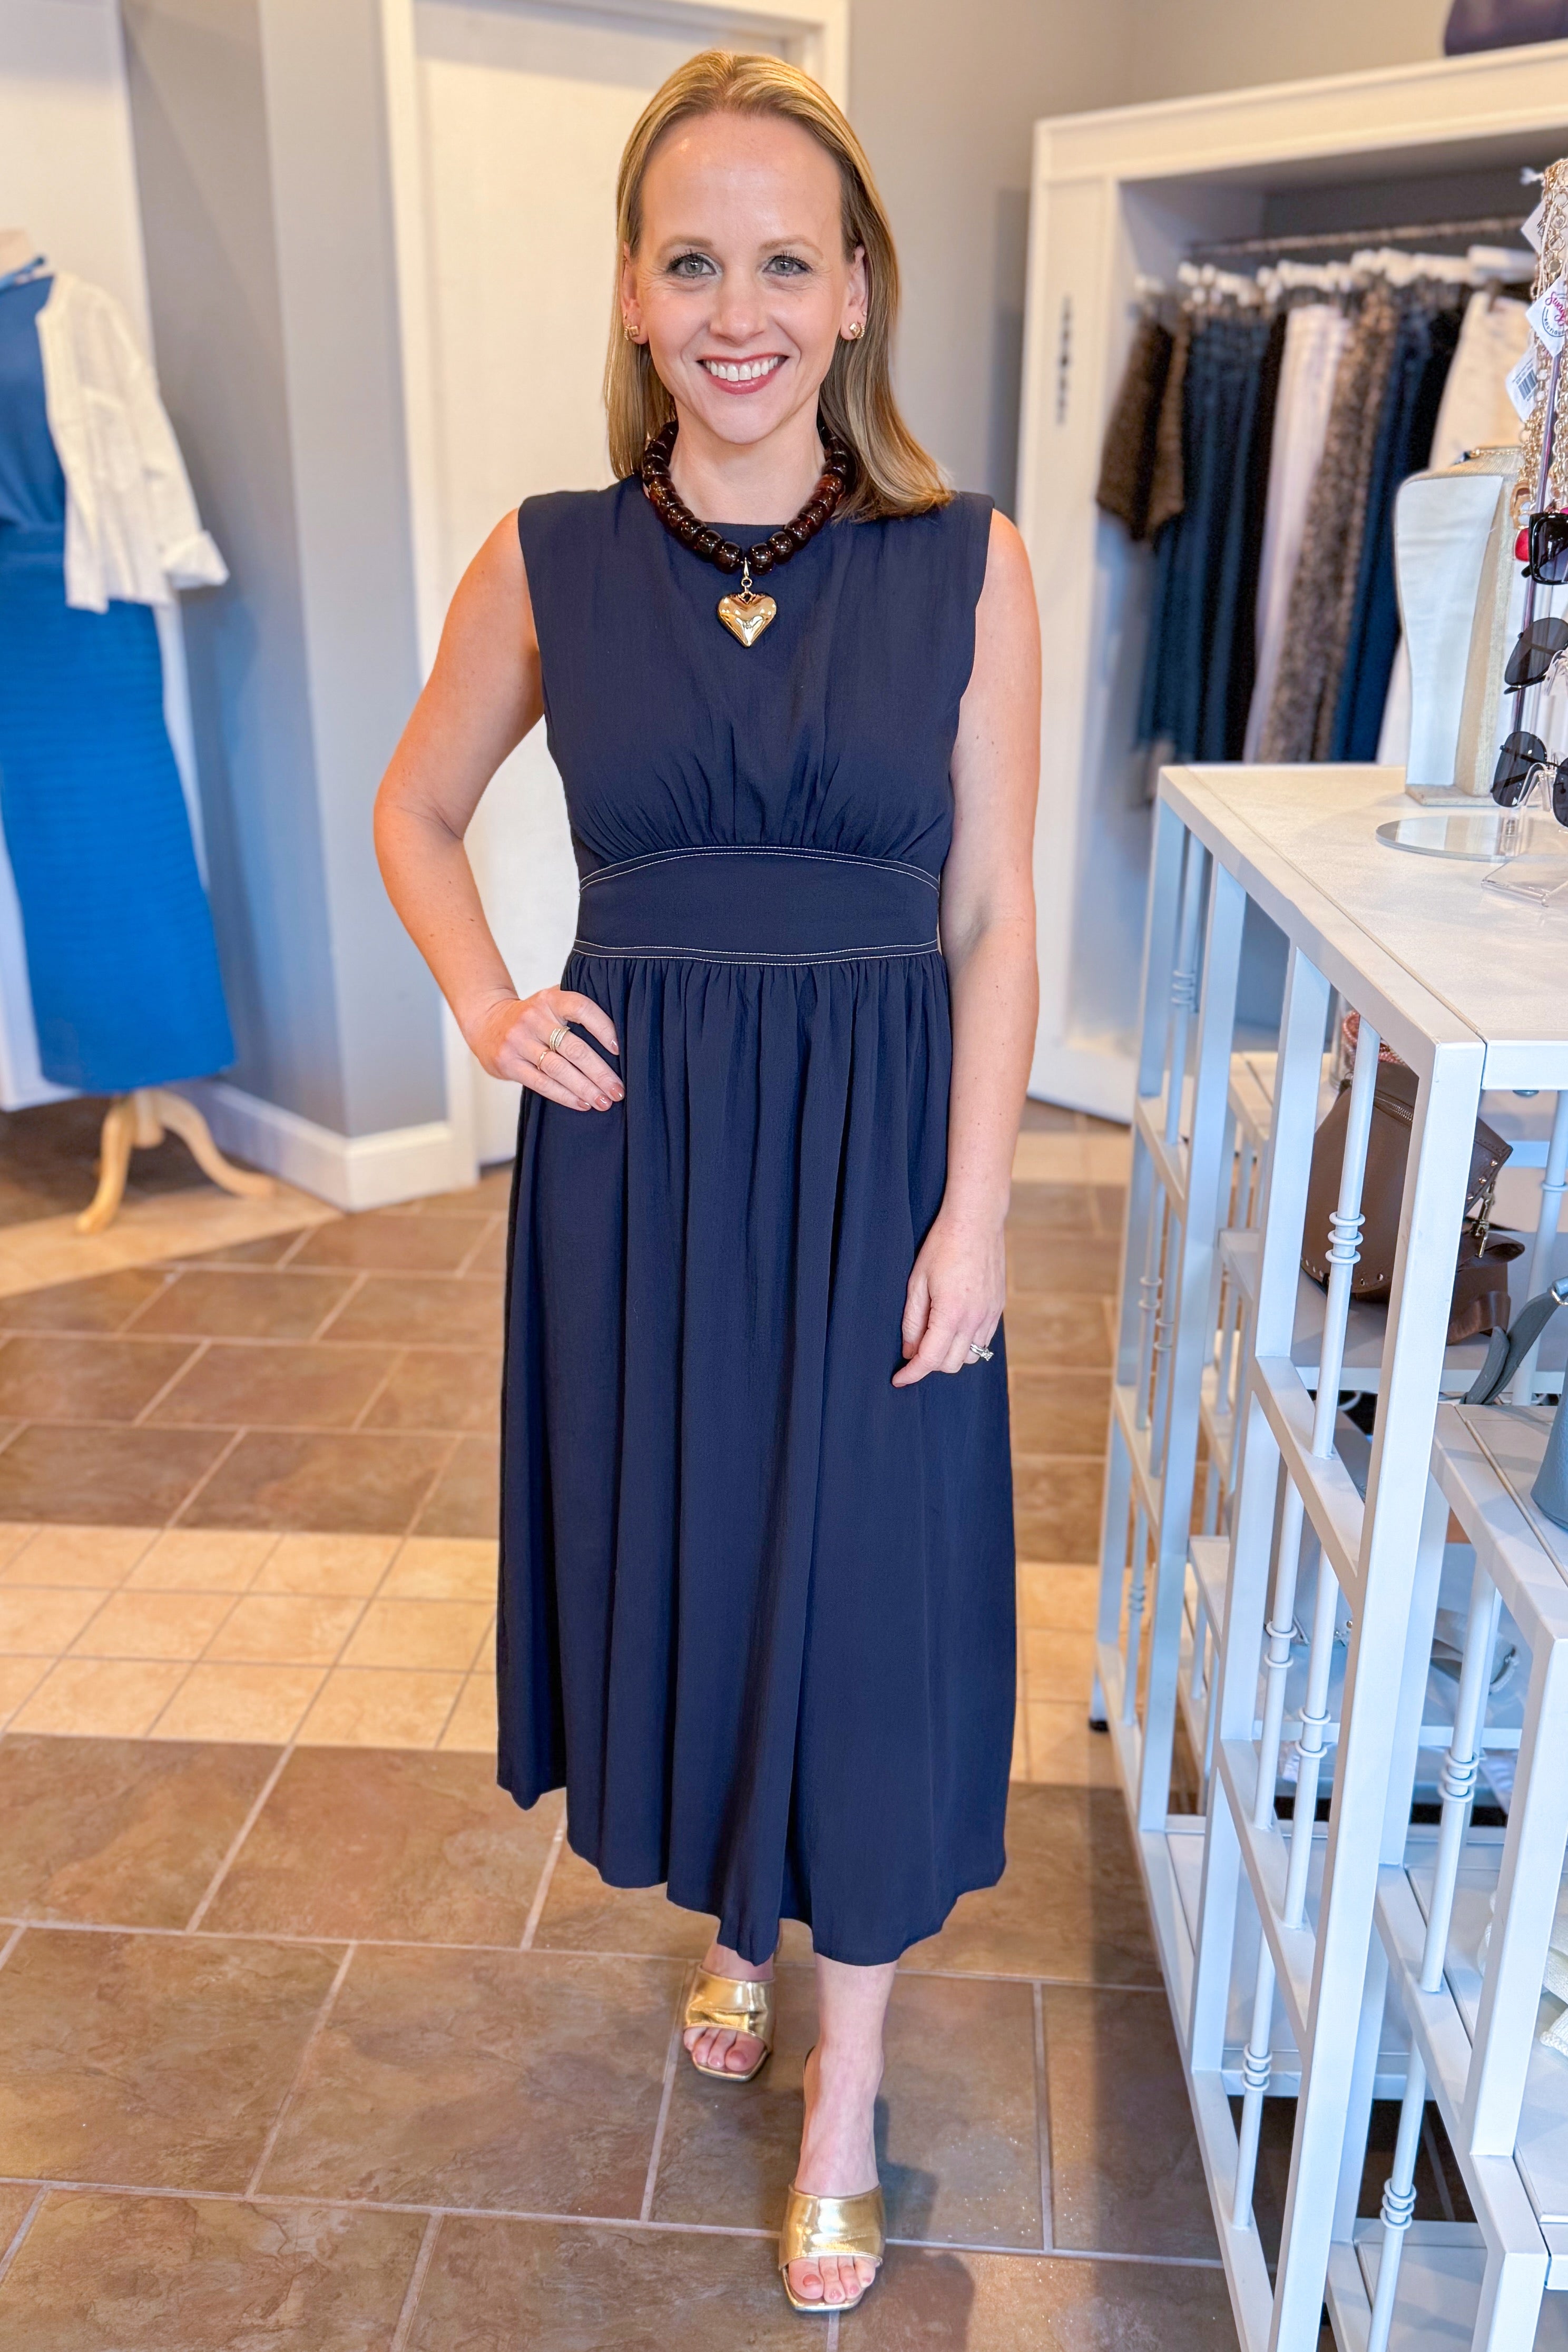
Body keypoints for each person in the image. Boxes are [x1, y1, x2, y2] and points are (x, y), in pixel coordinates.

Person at [374, 48, 1040, 2315]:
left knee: (865, 1599)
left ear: (855, 290)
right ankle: (736, 1923)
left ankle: (849, 2088)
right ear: (635, 296)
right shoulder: (547, 559)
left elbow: (996, 914)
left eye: (783, 261)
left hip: (877, 1158)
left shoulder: (968, 563)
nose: (737, 310)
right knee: (706, 1556)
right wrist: (488, 1005)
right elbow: (416, 809)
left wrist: (978, 1209)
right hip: (640, 1170)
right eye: (691, 262)